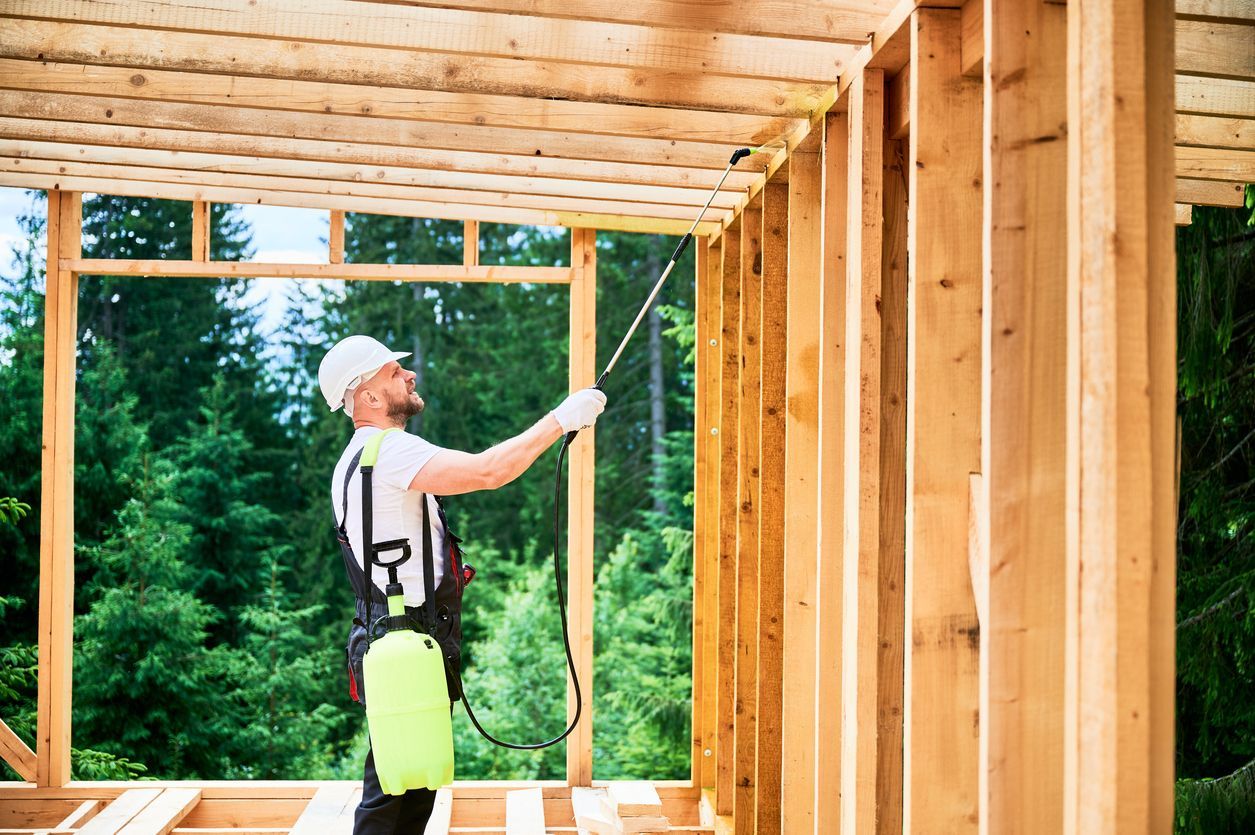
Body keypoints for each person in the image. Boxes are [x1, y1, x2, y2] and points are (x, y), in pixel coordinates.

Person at [318, 334, 606, 835]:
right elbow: (489, 471)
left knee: (410, 782)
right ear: (367, 396)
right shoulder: (388, 451)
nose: (408, 375)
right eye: (392, 372)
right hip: (406, 641)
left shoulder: (353, 461)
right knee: (391, 792)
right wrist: (563, 418)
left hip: (395, 638)